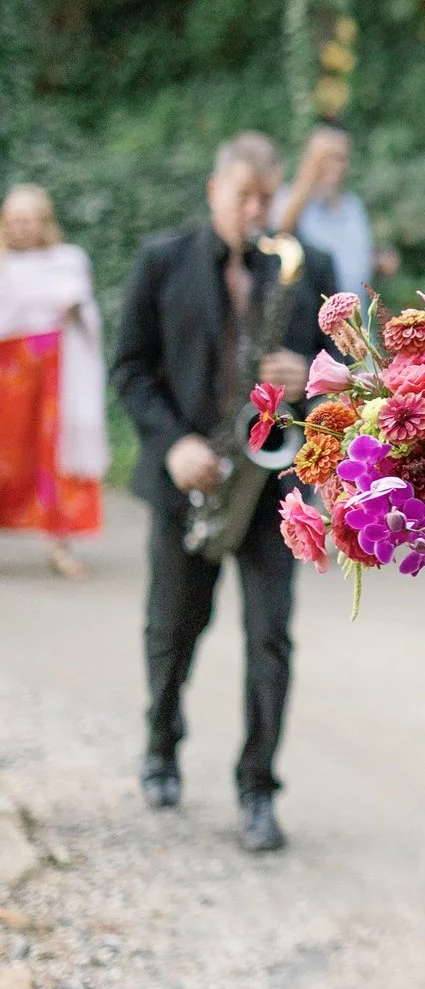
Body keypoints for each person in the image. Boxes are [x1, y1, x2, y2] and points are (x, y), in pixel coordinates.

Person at [110, 133, 337, 853]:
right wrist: (172, 441)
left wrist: (312, 372)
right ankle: (160, 742)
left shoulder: (308, 267)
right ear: (214, 189)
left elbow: (346, 366)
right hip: (192, 478)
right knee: (172, 629)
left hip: (274, 483)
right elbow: (130, 368)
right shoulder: (161, 261)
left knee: (270, 638)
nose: (255, 209)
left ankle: (257, 787)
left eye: (266, 196)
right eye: (243, 194)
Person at [0, 185, 106, 577]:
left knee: (55, 459)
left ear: (44, 222)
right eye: (12, 220)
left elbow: (83, 313)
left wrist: (74, 307)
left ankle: (62, 544)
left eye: (27, 220)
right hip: (7, 378)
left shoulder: (68, 260)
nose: (19, 228)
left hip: (54, 378)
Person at [276, 123, 396, 297]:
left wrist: (379, 262)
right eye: (326, 157)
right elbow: (278, 232)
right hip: (313, 316)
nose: (336, 166)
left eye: (341, 158)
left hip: (356, 316)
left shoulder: (353, 205)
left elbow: (355, 258)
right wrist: (308, 175)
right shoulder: (290, 201)